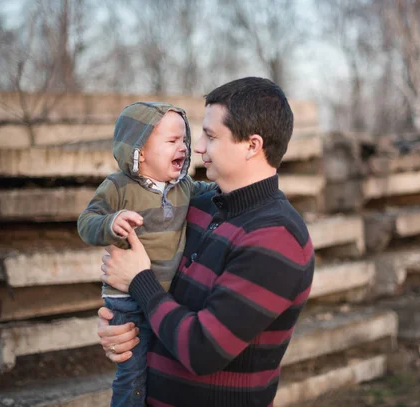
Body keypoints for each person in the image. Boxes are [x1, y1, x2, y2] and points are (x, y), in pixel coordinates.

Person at [98, 77, 315, 407]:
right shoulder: (195, 206)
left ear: (252, 146)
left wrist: (139, 281)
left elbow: (202, 349)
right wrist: (123, 331)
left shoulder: (277, 238)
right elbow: (163, 305)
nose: (197, 147)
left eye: (211, 136)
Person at [77, 102, 215, 407]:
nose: (182, 147)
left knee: (163, 367)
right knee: (133, 369)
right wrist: (111, 222)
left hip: (165, 297)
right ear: (139, 150)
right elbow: (86, 222)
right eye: (171, 141)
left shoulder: (184, 187)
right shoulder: (118, 187)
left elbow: (212, 193)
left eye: (183, 140)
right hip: (127, 298)